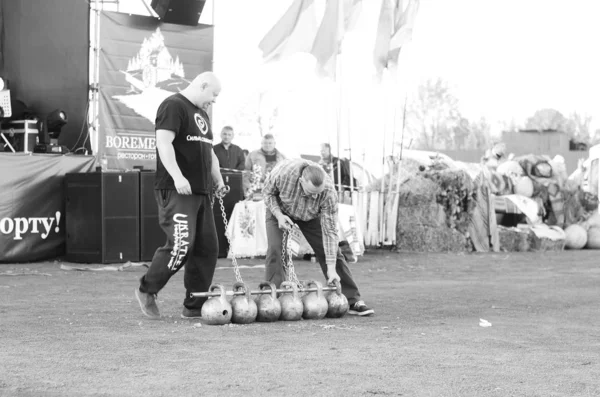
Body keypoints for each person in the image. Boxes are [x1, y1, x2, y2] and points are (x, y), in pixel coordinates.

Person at [135, 72, 227, 320]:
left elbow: (210, 152)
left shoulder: (202, 114)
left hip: (201, 191)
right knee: (181, 245)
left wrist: (217, 178)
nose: (214, 100)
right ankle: (147, 289)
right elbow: (163, 143)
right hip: (177, 189)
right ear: (202, 85)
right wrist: (177, 176)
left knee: (207, 248)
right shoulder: (173, 105)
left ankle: (195, 305)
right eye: (213, 94)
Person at [262, 159, 374, 316]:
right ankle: (272, 300)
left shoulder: (328, 192)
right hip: (280, 211)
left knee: (333, 251)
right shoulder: (283, 174)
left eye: (317, 194)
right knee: (275, 248)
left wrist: (331, 269)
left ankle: (352, 299)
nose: (314, 197)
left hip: (310, 215)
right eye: (310, 193)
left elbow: (330, 231)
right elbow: (267, 193)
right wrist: (279, 215)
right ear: (301, 181)